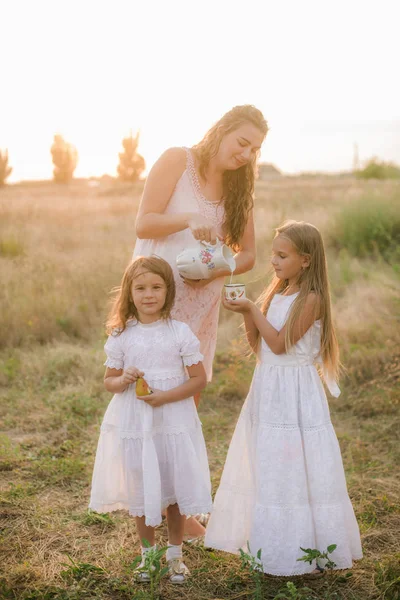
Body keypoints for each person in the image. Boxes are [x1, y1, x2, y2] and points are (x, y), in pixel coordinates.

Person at [204, 220, 363, 576]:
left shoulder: (312, 299)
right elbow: (261, 348)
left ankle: (304, 545)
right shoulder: (278, 292)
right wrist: (249, 314)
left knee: (295, 460)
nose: (273, 261)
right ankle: (272, 540)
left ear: (305, 260)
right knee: (271, 461)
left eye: (282, 255)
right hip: (269, 386)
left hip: (295, 391)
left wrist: (251, 310)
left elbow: (281, 344)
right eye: (273, 253)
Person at [89, 256, 212, 584]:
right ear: (129, 293)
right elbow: (109, 382)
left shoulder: (179, 332)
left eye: (156, 287)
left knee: (174, 488)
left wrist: (165, 397)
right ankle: (148, 555)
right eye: (140, 287)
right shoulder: (122, 335)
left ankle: (175, 555)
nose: (148, 294)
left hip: (172, 417)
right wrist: (125, 379)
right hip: (136, 422)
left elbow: (199, 379)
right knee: (142, 489)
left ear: (168, 291)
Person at [134, 104, 268, 390]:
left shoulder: (240, 188)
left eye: (254, 150)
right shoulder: (177, 160)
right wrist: (188, 219)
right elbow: (143, 224)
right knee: (148, 383)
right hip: (157, 293)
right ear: (221, 130)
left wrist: (213, 272)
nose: (246, 155)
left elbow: (248, 255)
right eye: (243, 143)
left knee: (188, 386)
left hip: (201, 302)